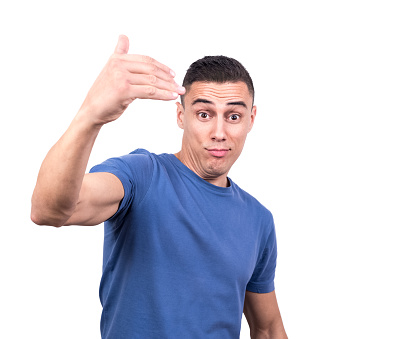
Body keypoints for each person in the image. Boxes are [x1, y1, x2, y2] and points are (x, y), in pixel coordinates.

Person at [31, 35, 287, 339]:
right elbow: (49, 210)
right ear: (182, 116)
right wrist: (90, 116)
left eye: (233, 116)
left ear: (251, 119)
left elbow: (268, 328)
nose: (219, 132)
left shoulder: (258, 219)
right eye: (204, 114)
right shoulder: (141, 176)